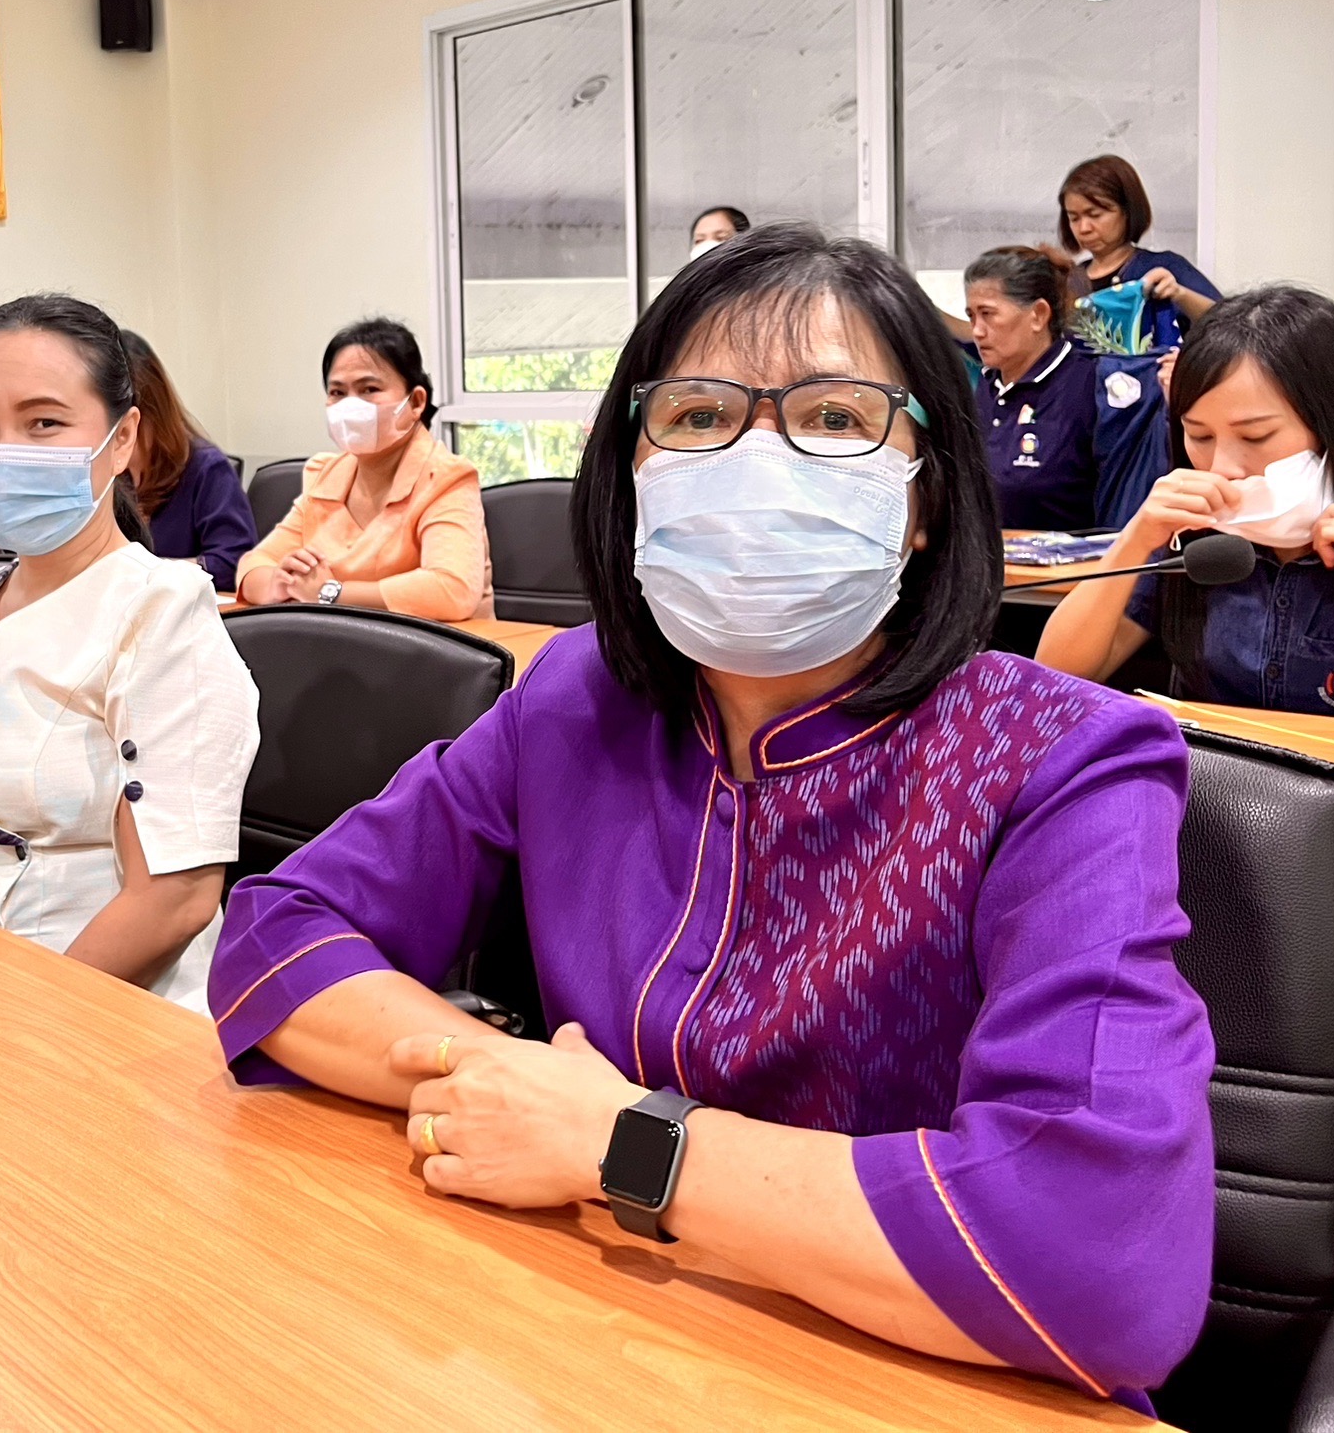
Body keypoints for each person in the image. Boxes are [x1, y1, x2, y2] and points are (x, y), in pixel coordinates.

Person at [210, 226, 1211, 1409]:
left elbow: (1101, 1263)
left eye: (836, 419)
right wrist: (509, 1085)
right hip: (583, 1338)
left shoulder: (1059, 756)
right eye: (696, 418)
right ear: (632, 472)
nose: (757, 458)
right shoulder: (578, 699)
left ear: (929, 500)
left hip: (900, 1378)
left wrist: (624, 1141)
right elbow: (277, 933)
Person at [0, 294, 258, 1012]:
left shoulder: (161, 614)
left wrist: (19, 1018)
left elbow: (173, 898)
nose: (3, 448)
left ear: (120, 440)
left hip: (100, 1020)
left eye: (43, 423)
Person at [1038, 285, 1334, 724]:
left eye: (1255, 436)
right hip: (1217, 785)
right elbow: (1055, 679)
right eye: (1199, 436)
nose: (1222, 467)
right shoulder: (1194, 541)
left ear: (1331, 424)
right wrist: (1134, 540)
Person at [235, 319, 492, 621]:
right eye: (338, 392)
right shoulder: (325, 474)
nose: (350, 405)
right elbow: (253, 565)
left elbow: (452, 590)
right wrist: (278, 583)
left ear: (416, 402)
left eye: (369, 389)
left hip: (437, 656)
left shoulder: (447, 477)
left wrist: (329, 592)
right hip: (340, 647)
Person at [963, 246, 1099, 531]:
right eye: (972, 316)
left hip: (1069, 570)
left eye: (988, 314)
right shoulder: (987, 388)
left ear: (1038, 314)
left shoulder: (1088, 385)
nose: (977, 330)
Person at [121, 329, 257, 591]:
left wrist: (153, 573)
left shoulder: (206, 468)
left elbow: (234, 564)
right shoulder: (107, 474)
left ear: (151, 412)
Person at [1058, 155, 1218, 350]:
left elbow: (1228, 322)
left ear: (1127, 211)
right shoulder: (1066, 280)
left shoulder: (1164, 267)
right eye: (1074, 218)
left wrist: (1180, 294)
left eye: (1095, 215)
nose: (1084, 228)